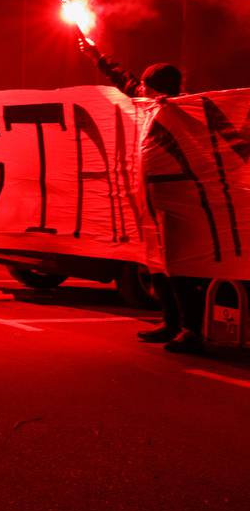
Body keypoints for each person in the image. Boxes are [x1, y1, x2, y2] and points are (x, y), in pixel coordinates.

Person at [78, 38, 202, 351]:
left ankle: (191, 328)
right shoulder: (149, 102)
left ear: (159, 88)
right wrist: (97, 56)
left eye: (145, 85)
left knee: (180, 265)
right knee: (155, 263)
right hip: (151, 196)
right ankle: (171, 321)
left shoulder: (185, 110)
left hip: (180, 198)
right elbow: (126, 80)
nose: (139, 89)